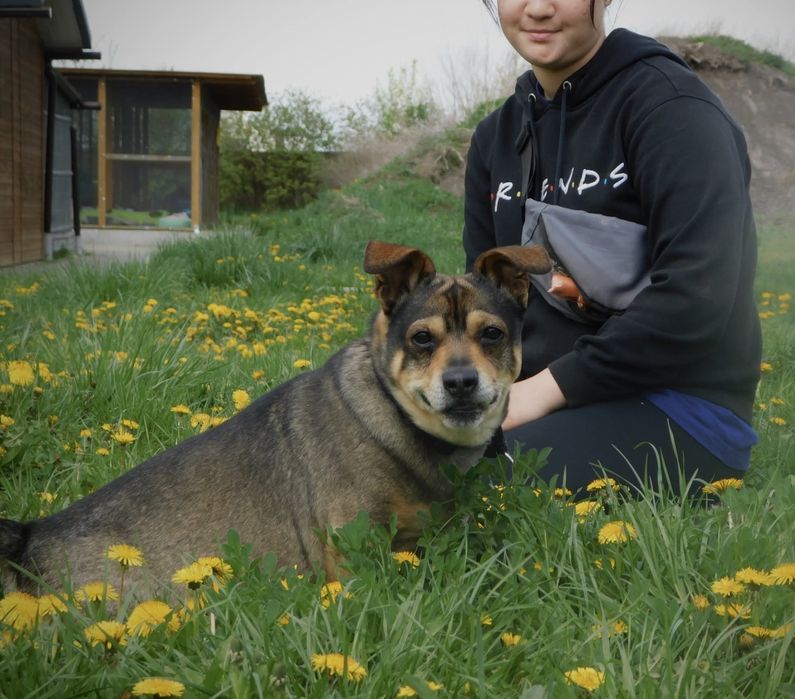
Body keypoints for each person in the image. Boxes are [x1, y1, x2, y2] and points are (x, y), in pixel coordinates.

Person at [464, 0, 762, 495]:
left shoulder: (674, 109)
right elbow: (485, 303)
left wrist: (535, 395)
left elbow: (695, 300)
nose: (538, 8)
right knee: (388, 457)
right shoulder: (496, 136)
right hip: (536, 400)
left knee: (466, 488)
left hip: (682, 406)